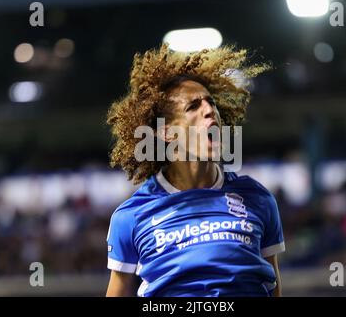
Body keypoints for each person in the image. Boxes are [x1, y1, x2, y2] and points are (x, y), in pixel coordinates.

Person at [105, 44, 285, 297]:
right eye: (193, 107)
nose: (210, 110)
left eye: (211, 103)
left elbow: (273, 287)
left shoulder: (258, 199)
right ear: (166, 132)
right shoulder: (131, 217)